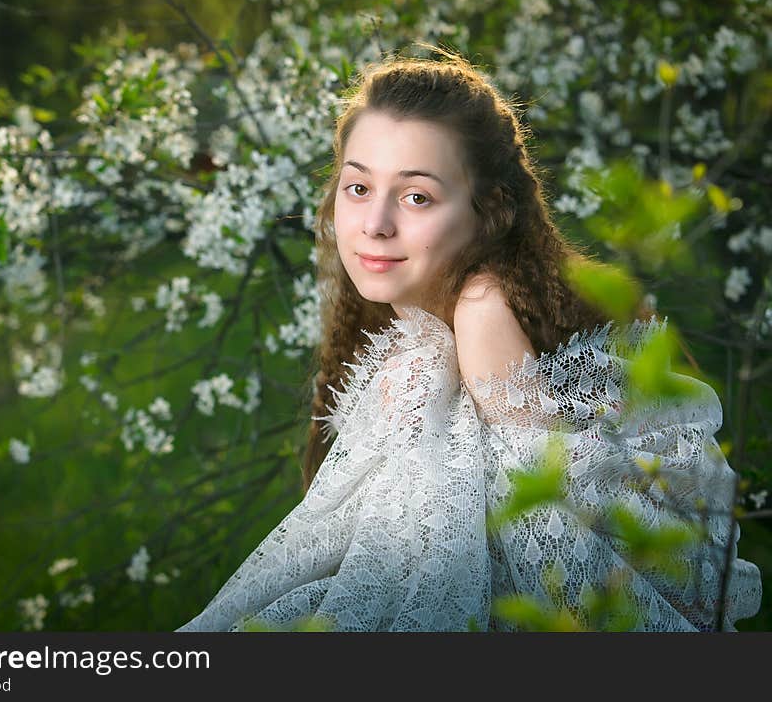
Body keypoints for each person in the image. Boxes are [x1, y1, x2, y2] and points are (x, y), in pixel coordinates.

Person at [176, 45, 763, 632]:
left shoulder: (483, 310)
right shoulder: (426, 308)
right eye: (358, 188)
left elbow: (545, 532)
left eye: (417, 197)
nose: (376, 224)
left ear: (488, 213)